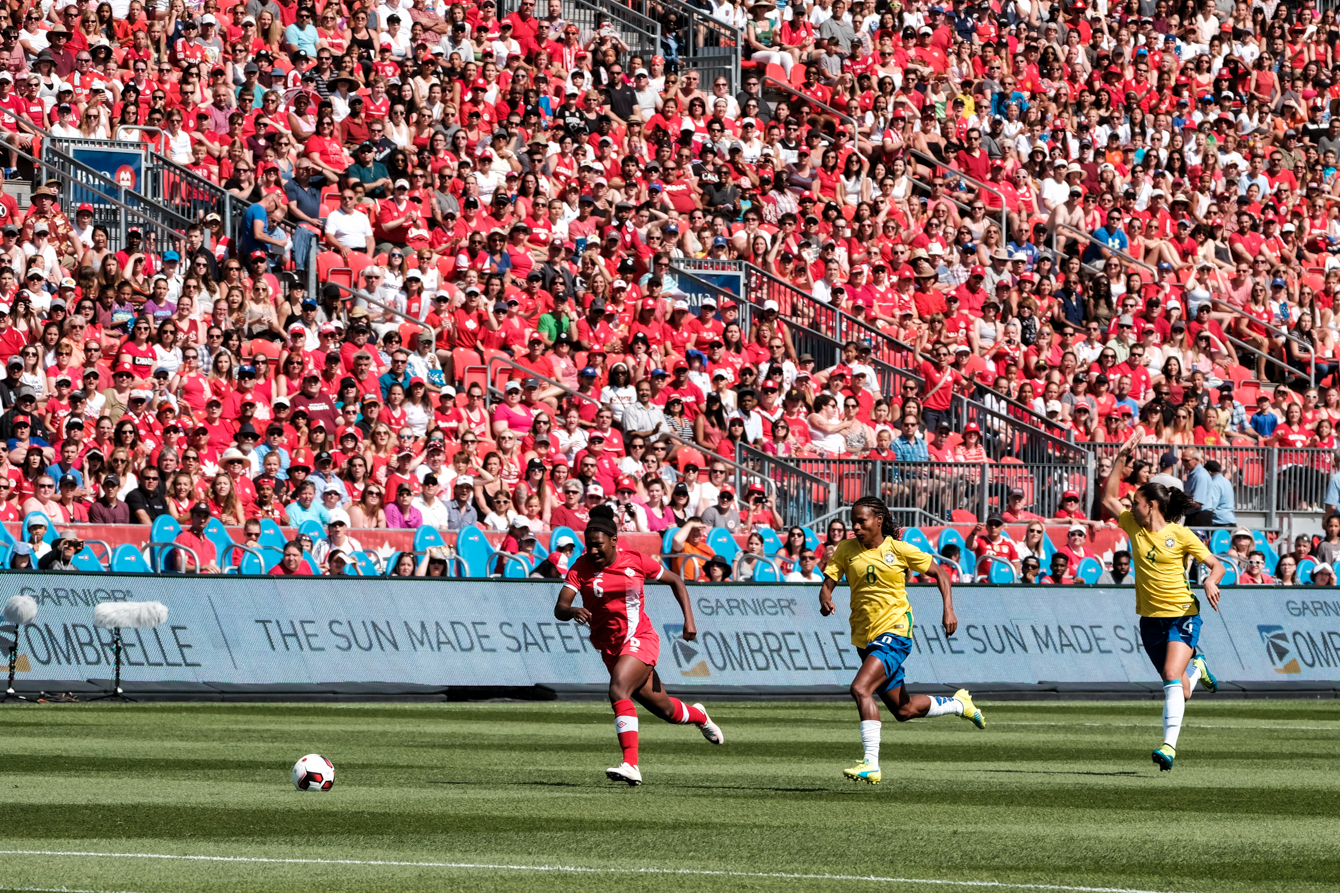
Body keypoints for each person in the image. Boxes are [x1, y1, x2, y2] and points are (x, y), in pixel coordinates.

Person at [816, 496, 984, 785]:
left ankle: (870, 764)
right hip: (864, 637)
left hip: (895, 632)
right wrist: (825, 598)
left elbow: (940, 573)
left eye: (861, 521)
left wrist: (948, 608)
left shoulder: (899, 549)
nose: (856, 527)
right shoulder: (846, 549)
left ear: (879, 520)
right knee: (903, 710)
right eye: (853, 522)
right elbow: (827, 585)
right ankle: (959, 704)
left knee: (860, 688)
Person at [553, 504, 724, 786]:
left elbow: (676, 581)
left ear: (613, 541)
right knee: (667, 711)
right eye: (588, 545)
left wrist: (689, 620)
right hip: (611, 650)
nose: (592, 551)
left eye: (597, 545)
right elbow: (560, 607)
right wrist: (571, 611)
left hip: (640, 639)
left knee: (618, 690)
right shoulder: (580, 567)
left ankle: (631, 764)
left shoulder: (635, 561)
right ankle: (700, 716)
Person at [1102, 433, 1225, 772]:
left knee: (1171, 674)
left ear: (1151, 506)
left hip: (1182, 615)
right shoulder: (1134, 527)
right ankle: (1197, 669)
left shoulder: (1181, 534)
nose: (1131, 507)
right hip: (1150, 620)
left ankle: (1168, 748)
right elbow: (1108, 497)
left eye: (1136, 503)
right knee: (1180, 688)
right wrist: (1121, 458)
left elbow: (1217, 565)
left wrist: (1210, 580)